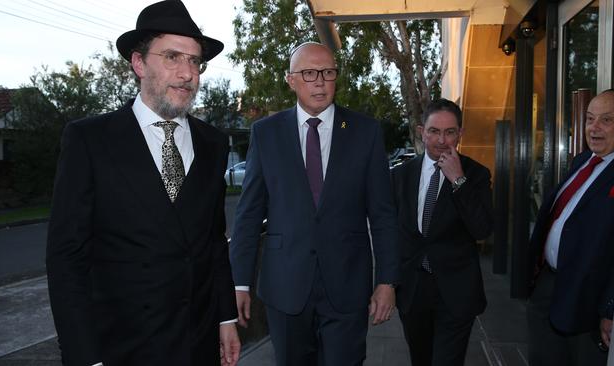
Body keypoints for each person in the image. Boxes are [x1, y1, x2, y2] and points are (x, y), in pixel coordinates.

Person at [46, 1, 240, 365]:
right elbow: (66, 260)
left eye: (195, 61)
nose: (187, 74)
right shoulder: (90, 139)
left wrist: (225, 317)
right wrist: (84, 356)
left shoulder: (213, 143)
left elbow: (213, 243)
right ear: (138, 63)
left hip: (197, 343)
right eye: (172, 57)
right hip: (121, 348)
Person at [228, 42, 399, 365]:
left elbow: (383, 214)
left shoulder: (365, 132)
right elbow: (248, 216)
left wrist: (387, 281)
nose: (320, 81)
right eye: (309, 73)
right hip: (285, 287)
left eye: (328, 72)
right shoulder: (266, 134)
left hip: (347, 287)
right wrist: (239, 283)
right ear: (291, 80)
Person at [527, 88, 614, 366]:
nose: (594, 128)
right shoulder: (583, 160)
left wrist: (612, 308)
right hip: (549, 285)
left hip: (590, 303)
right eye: (590, 119)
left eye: (606, 120)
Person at [391, 98, 493, 366]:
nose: (441, 140)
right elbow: (391, 233)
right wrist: (388, 283)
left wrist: (458, 180)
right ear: (421, 131)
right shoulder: (401, 176)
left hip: (456, 292)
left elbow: (482, 229)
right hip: (413, 290)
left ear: (460, 134)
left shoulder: (476, 174)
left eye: (450, 132)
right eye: (434, 131)